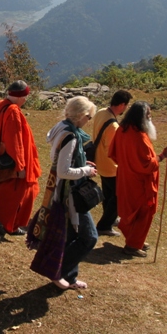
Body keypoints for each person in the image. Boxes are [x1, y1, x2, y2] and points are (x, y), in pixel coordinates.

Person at [42, 95, 99, 290]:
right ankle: (56, 270)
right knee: (89, 237)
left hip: (63, 190)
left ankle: (69, 276)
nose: (88, 121)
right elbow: (64, 171)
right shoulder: (72, 136)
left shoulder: (61, 127)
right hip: (71, 194)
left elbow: (62, 159)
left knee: (73, 235)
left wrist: (82, 162)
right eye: (89, 117)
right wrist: (86, 170)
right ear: (82, 115)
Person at [108, 101, 167, 258]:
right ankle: (132, 245)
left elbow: (113, 153)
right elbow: (148, 164)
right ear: (142, 117)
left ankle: (137, 239)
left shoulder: (122, 130)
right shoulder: (139, 137)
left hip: (124, 177)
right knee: (143, 212)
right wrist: (162, 156)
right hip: (140, 183)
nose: (150, 117)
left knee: (129, 210)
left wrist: (126, 164)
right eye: (148, 114)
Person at [0, 80, 42, 236]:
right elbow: (14, 140)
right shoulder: (14, 112)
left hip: (0, 155)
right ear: (20, 96)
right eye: (25, 97)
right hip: (12, 160)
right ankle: (11, 224)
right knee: (22, 193)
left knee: (3, 190)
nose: (25, 100)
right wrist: (20, 166)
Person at [94, 89, 133, 236]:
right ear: (122, 105)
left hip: (100, 162)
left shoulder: (101, 112)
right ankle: (105, 225)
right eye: (127, 105)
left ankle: (109, 218)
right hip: (111, 167)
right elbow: (112, 150)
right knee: (118, 197)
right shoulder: (113, 127)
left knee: (108, 194)